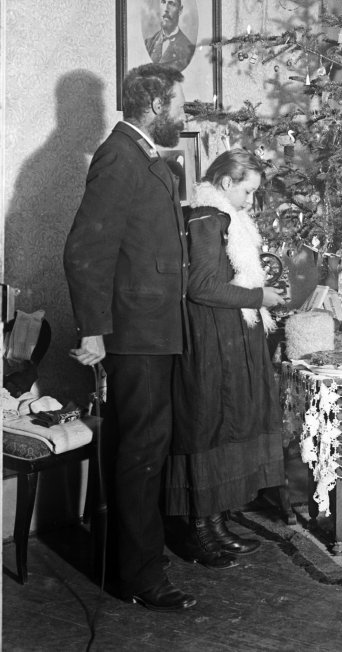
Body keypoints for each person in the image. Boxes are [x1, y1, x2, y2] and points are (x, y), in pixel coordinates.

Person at [64, 64, 195, 611]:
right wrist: (93, 330)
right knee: (141, 452)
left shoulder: (141, 156)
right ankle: (141, 577)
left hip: (154, 329)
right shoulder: (119, 158)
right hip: (135, 335)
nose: (183, 114)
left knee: (144, 449)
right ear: (154, 105)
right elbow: (84, 251)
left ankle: (131, 563)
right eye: (178, 104)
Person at [164, 150, 288, 568]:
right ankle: (198, 532)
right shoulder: (207, 219)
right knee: (209, 425)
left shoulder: (226, 220)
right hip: (211, 339)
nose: (252, 200)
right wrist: (259, 297)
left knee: (225, 424)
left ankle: (215, 525)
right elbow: (200, 287)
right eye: (248, 191)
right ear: (224, 183)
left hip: (228, 336)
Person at [145, 0, 196, 70]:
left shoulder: (188, 50)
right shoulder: (149, 44)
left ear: (180, 10)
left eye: (171, 4)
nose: (166, 9)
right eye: (163, 2)